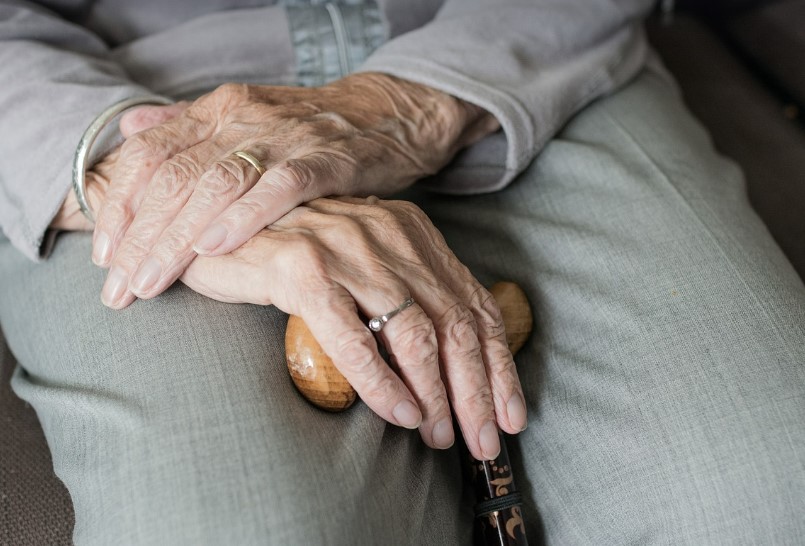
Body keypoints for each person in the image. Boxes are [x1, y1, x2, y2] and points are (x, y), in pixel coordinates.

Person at [1, 0, 803, 544]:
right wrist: (136, 173)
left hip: (524, 56)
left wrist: (399, 105)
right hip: (116, 100)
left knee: (768, 490)